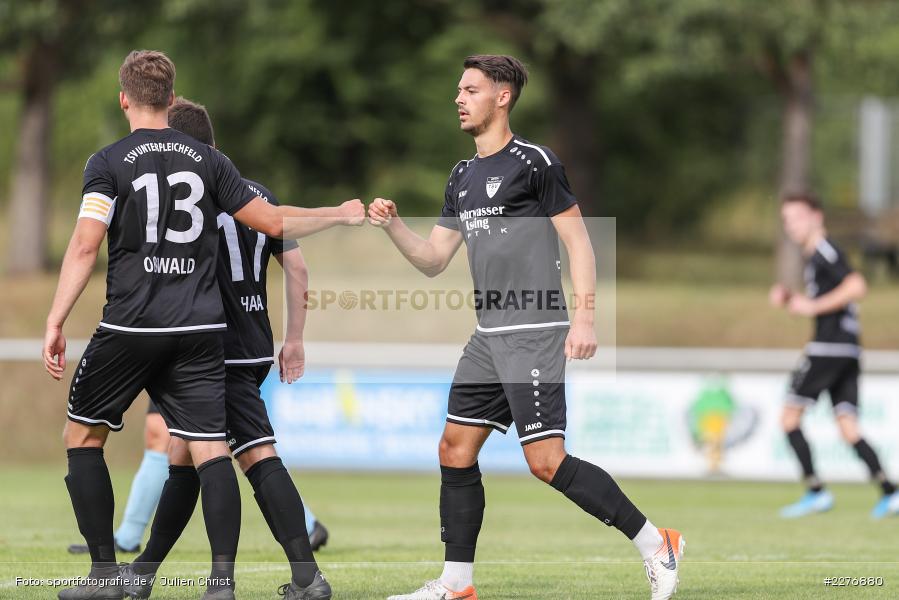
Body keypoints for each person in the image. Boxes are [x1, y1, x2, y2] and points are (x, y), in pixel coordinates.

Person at [42, 50, 362, 600]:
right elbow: (275, 222)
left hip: (134, 325)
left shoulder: (107, 161)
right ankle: (220, 585)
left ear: (124, 98)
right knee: (209, 451)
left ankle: (103, 577)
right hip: (201, 332)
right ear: (170, 98)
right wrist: (338, 212)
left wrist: (55, 319)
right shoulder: (211, 164)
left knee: (83, 435)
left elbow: (84, 244)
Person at [368, 54, 684, 600]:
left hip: (536, 328)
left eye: (470, 89)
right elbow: (434, 259)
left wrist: (584, 317)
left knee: (545, 462)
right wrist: (395, 226)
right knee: (454, 449)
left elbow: (579, 241)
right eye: (458, 90)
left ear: (503, 96)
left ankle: (657, 542)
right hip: (487, 336)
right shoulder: (461, 175)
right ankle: (456, 584)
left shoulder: (534, 162)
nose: (459, 98)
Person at [120, 97, 332, 600]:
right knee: (182, 457)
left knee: (254, 453)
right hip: (255, 345)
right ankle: (145, 570)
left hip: (211, 349)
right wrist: (295, 339)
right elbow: (298, 269)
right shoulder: (257, 195)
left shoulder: (190, 197)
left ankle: (300, 578)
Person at [770, 193, 899, 519]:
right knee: (848, 426)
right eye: (786, 220)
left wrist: (811, 306)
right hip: (848, 349)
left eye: (796, 218)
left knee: (789, 418)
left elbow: (857, 285)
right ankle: (891, 492)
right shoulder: (815, 255)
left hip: (829, 349)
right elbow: (834, 297)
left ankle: (816, 492)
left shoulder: (825, 250)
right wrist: (792, 299)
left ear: (816, 216)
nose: (791, 226)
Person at [66, 402, 330, 555]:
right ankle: (128, 536)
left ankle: (304, 526)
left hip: (197, 331)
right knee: (166, 435)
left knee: (220, 441)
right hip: (169, 326)